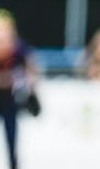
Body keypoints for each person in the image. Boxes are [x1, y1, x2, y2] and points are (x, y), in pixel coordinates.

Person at [0, 10, 39, 169]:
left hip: (10, 101)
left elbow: (31, 71)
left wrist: (26, 84)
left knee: (12, 141)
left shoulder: (19, 49)